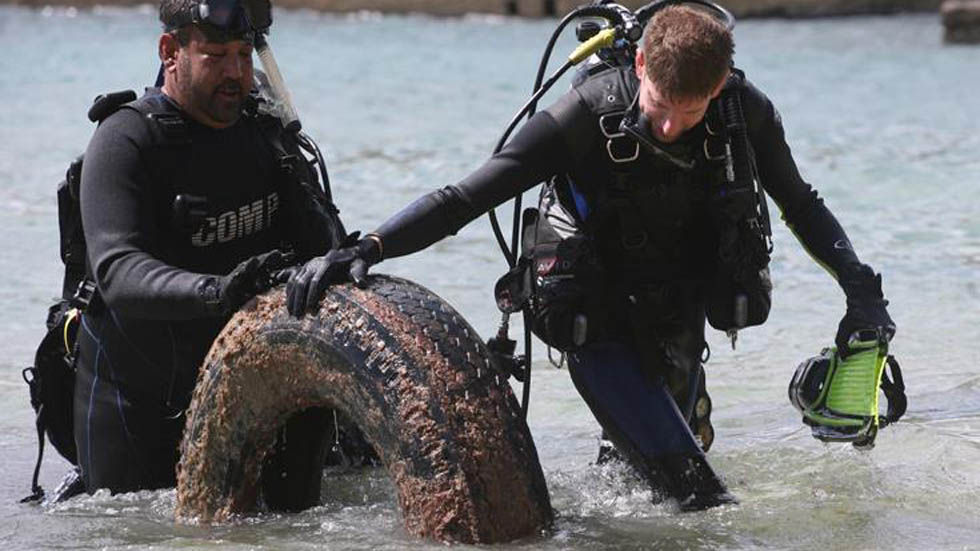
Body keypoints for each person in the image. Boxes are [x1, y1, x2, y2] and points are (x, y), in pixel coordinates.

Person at [285, 5, 895, 509]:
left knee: (634, 487)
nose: (669, 127)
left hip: (679, 315)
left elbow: (801, 204)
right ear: (640, 65)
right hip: (596, 318)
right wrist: (367, 246)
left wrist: (860, 287)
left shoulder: (744, 114)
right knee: (701, 500)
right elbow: (467, 198)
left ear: (718, 87)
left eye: (690, 111)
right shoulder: (585, 115)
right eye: (659, 105)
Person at [72, 0, 347, 505]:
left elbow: (325, 246)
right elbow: (118, 272)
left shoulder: (266, 130)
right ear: (169, 51)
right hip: (142, 406)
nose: (236, 73)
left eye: (243, 55)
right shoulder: (126, 140)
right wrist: (218, 291)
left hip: (254, 392)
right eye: (216, 56)